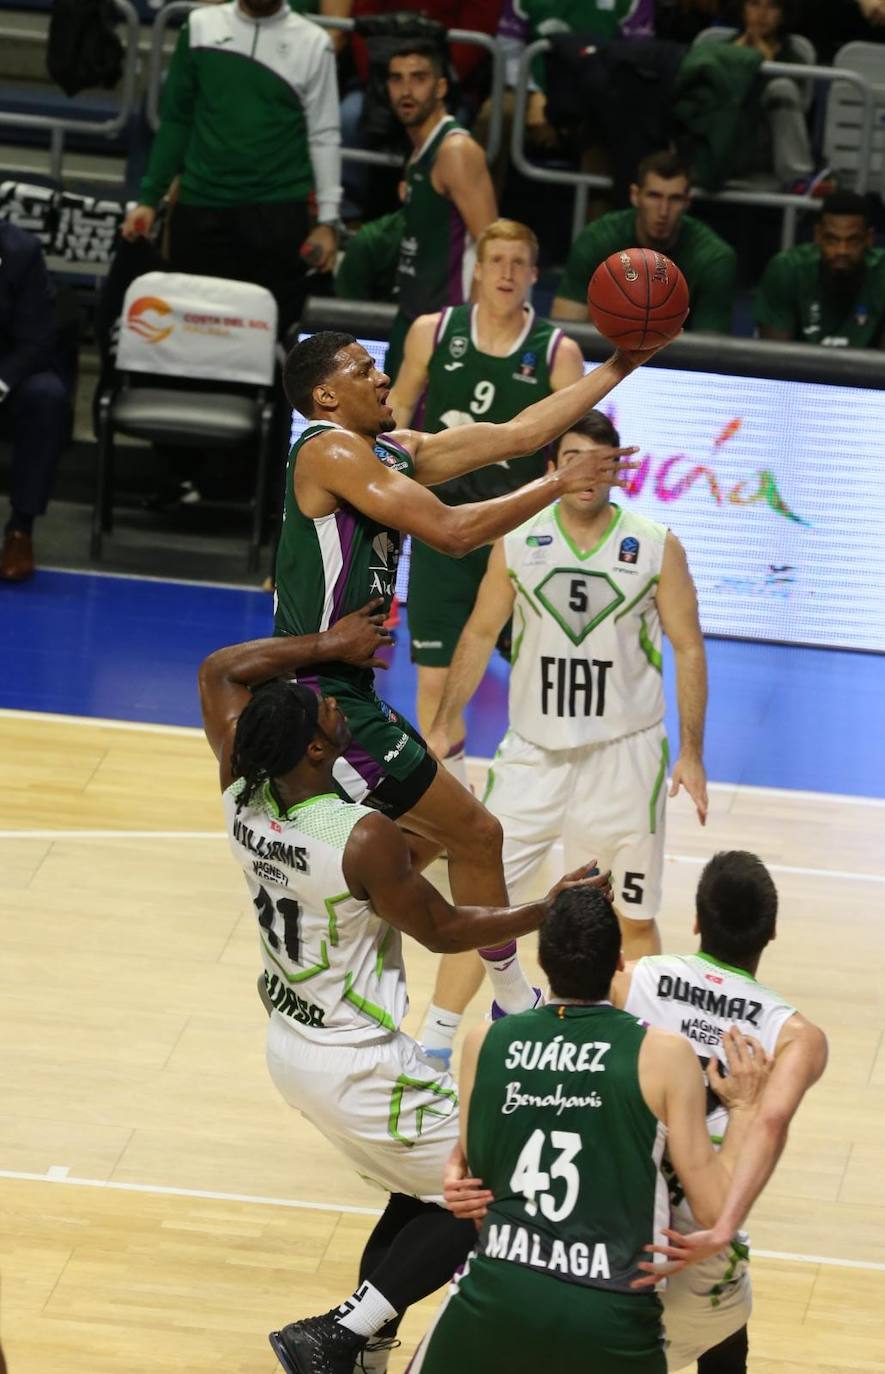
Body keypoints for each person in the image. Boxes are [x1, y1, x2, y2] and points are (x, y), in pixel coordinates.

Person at [198, 598, 613, 1374]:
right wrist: (545, 906)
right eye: (327, 704)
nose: (336, 697)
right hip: (356, 1062)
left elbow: (220, 670)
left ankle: (363, 1344)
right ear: (321, 750)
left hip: (295, 1046)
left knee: (427, 1185)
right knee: (493, 1181)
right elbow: (443, 929)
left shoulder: (242, 788)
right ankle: (339, 1334)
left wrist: (323, 643)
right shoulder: (362, 837)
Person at [275, 328, 658, 1041]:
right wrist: (556, 483)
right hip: (318, 703)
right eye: (365, 370)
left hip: (346, 690)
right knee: (478, 835)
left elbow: (517, 433)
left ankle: (352, 972)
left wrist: (619, 364)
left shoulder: (389, 450)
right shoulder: (326, 448)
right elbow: (452, 532)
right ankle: (512, 1003)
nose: (383, 377)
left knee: (414, 849)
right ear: (326, 395)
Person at [421, 410, 708, 1066]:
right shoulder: (518, 537)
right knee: (483, 902)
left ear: (616, 470)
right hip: (531, 754)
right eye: (571, 457)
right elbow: (475, 633)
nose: (584, 472)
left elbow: (688, 648)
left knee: (631, 917)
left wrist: (691, 751)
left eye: (598, 460)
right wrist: (442, 724)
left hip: (624, 756)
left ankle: (650, 1057)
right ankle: (434, 1044)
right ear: (552, 467)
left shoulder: (655, 544)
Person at [411, 886, 770, 1374]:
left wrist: (455, 1166)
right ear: (620, 963)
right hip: (611, 1313)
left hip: (501, 1291)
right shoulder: (663, 1054)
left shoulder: (485, 1041)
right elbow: (712, 1210)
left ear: (543, 960)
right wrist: (746, 1109)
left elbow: (476, 1176)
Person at [614, 850, 829, 1372]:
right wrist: (722, 1227)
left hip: (617, 1238)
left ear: (695, 920)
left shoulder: (626, 978)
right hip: (700, 1248)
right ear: (771, 931)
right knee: (723, 1322)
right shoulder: (797, 1036)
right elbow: (770, 1122)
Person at [389, 217, 585, 780]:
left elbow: (569, 446)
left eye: (518, 263)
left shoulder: (557, 353)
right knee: (436, 679)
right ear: (476, 270)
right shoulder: (433, 330)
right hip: (442, 526)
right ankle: (451, 801)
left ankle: (541, 792)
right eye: (496, 261)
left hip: (518, 536)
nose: (506, 273)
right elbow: (398, 412)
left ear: (533, 275)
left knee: (540, 677)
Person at [122, 0, 341, 333]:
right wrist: (149, 199)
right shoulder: (199, 27)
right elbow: (177, 121)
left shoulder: (313, 42)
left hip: (277, 213)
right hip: (200, 208)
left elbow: (324, 133)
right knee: (188, 334)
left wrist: (327, 220)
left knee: (266, 339)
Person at [384, 40, 498, 381]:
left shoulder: (455, 150)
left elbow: (493, 246)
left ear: (441, 86)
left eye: (418, 78)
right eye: (396, 78)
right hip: (413, 316)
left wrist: (470, 336)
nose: (406, 90)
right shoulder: (420, 150)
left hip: (448, 329)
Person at [552, 151, 737, 335]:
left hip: (677, 360)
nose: (663, 211)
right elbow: (566, 331)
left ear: (687, 202)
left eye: (675, 199)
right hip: (606, 353)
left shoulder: (713, 258)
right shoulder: (597, 240)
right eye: (654, 196)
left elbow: (710, 351)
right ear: (635, 195)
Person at [0, 221, 71, 582]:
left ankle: (20, 531)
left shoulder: (20, 251)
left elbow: (38, 339)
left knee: (47, 397)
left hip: (7, 377)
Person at [755, 189, 885, 348]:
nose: (841, 251)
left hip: (867, 372)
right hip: (799, 371)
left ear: (869, 239)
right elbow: (773, 358)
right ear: (818, 235)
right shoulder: (788, 269)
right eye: (832, 239)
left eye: (853, 240)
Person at [731, 0, 815, 188]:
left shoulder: (793, 58)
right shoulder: (721, 48)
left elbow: (797, 97)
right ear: (742, 9)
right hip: (727, 142)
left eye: (772, 6)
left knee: (782, 87)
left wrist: (768, 62)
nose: (762, 13)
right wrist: (733, 56)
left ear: (783, 15)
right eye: (754, 4)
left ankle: (797, 180)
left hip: (771, 147)